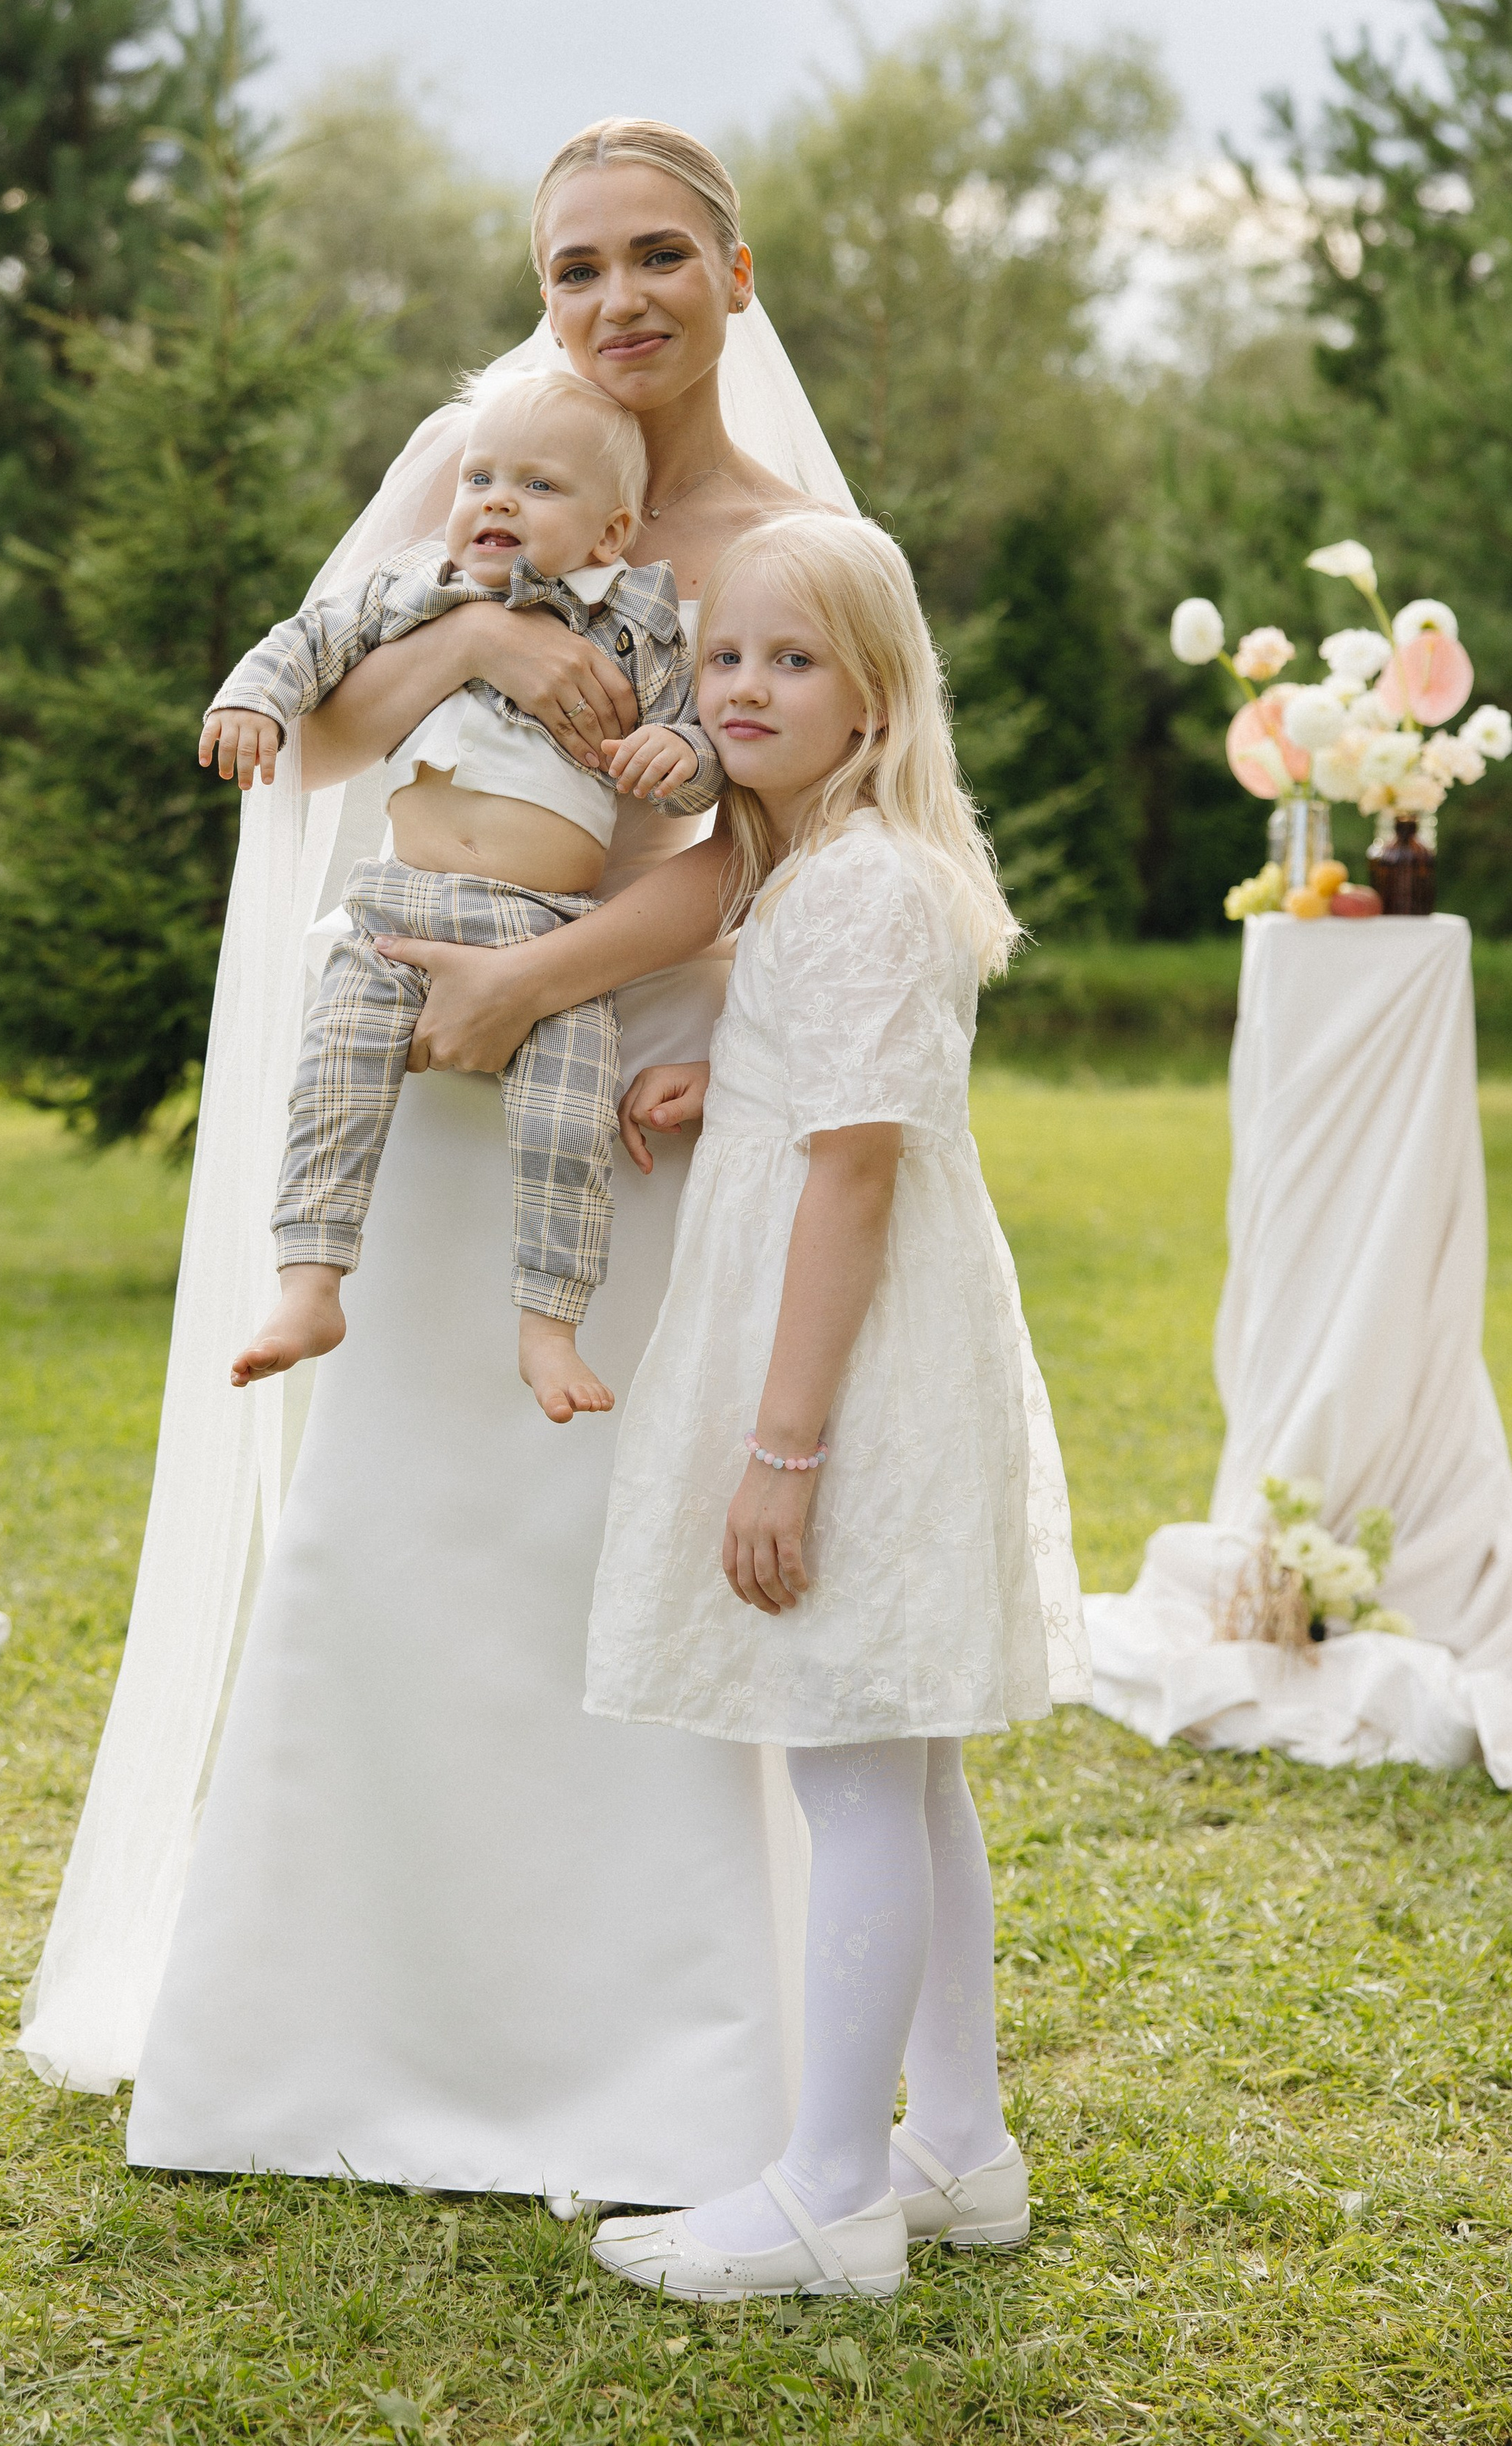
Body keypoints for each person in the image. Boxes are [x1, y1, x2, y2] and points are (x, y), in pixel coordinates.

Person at [17, 119, 1088, 2212]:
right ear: (544, 287)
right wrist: (499, 650)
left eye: (661, 255)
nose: (620, 298)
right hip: (431, 1068)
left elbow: (769, 832)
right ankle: (332, 2034)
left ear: (737, 277)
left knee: (622, 1534)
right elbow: (323, 729)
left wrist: (547, 994)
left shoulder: (792, 531)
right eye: (580, 262)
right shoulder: (480, 466)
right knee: (416, 1512)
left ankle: (661, 2074)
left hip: (639, 1068)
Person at [583, 511, 1043, 2301]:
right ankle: (962, 2147)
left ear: (873, 694)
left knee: (845, 1762)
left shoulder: (849, 883)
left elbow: (854, 1176)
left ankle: (834, 2189)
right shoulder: (844, 869)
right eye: (725, 657)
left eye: (794, 659)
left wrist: (783, 1452)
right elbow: (834, 1098)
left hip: (845, 1374)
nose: (749, 688)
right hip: (885, 1338)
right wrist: (737, 1074)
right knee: (903, 1767)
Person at [212, 369, 719, 1423]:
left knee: (566, 1130)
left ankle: (550, 1322)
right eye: (481, 477)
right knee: (333, 1081)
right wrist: (252, 700)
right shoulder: (414, 590)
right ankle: (309, 1284)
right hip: (395, 910)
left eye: (537, 486)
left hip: (552, 927)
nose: (495, 499)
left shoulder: (638, 623)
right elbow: (304, 643)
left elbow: (703, 744)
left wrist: (679, 748)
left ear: (609, 530)